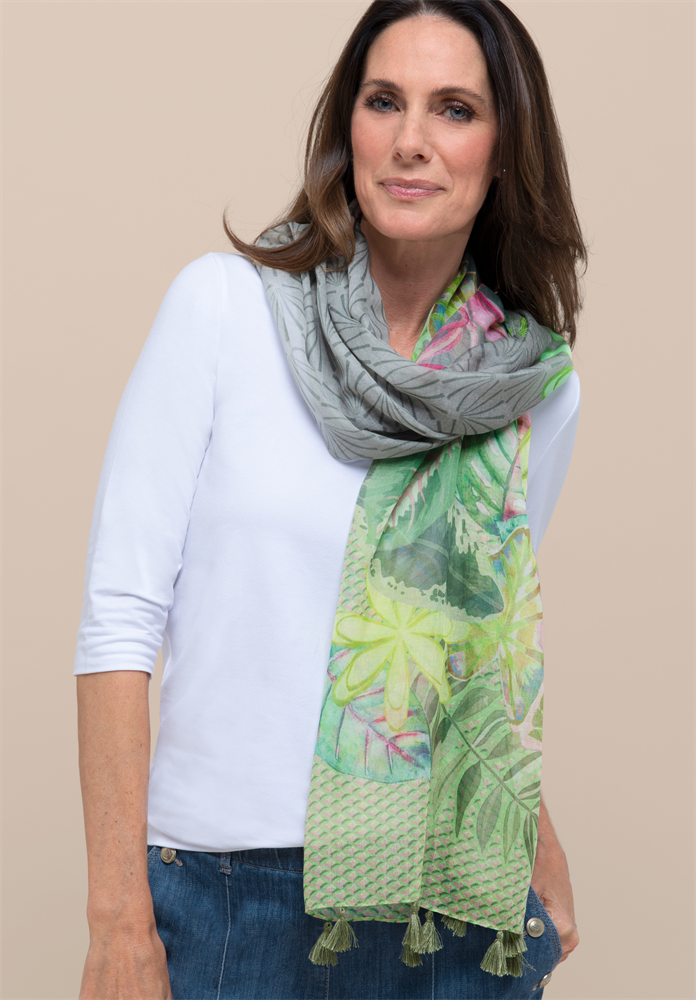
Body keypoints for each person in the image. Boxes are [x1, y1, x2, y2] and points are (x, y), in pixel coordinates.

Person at [75, 0, 586, 997]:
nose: (411, 140)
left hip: (455, 907)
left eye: (454, 110)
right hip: (232, 903)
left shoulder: (533, 389)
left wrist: (539, 840)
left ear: (503, 152)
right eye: (384, 101)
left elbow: (467, 660)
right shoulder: (224, 309)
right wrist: (116, 920)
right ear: (346, 128)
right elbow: (119, 618)